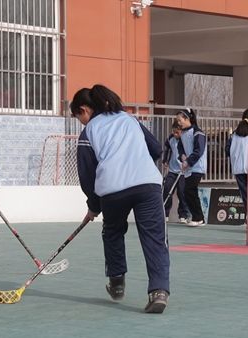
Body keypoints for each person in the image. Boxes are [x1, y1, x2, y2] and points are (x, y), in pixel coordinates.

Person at [71, 84, 170, 314]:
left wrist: (93, 206)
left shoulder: (89, 132)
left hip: (113, 191)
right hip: (147, 185)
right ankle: (159, 291)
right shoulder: (129, 119)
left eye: (78, 116)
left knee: (113, 232)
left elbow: (87, 175)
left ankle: (116, 281)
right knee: (155, 238)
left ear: (85, 109)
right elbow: (155, 148)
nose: (80, 122)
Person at [176, 108, 207, 227]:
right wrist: (182, 157)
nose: (179, 123)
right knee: (189, 192)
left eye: (180, 120)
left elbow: (198, 151)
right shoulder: (183, 133)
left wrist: (188, 161)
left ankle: (198, 217)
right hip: (189, 167)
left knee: (189, 190)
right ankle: (198, 217)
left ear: (187, 118)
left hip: (197, 167)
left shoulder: (198, 133)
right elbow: (180, 148)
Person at [162, 121, 190, 224]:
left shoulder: (186, 140)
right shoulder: (170, 139)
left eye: (177, 132)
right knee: (167, 190)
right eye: (173, 132)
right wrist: (165, 161)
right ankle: (165, 214)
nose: (175, 134)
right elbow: (167, 150)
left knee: (182, 193)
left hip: (183, 172)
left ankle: (183, 215)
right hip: (173, 170)